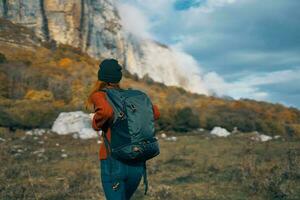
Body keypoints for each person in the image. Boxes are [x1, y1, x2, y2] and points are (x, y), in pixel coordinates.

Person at [85, 59, 160, 200]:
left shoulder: (100, 95)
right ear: (118, 78)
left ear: (101, 76)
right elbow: (155, 113)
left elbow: (106, 112)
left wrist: (95, 121)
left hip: (113, 160)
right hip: (137, 159)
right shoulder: (133, 96)